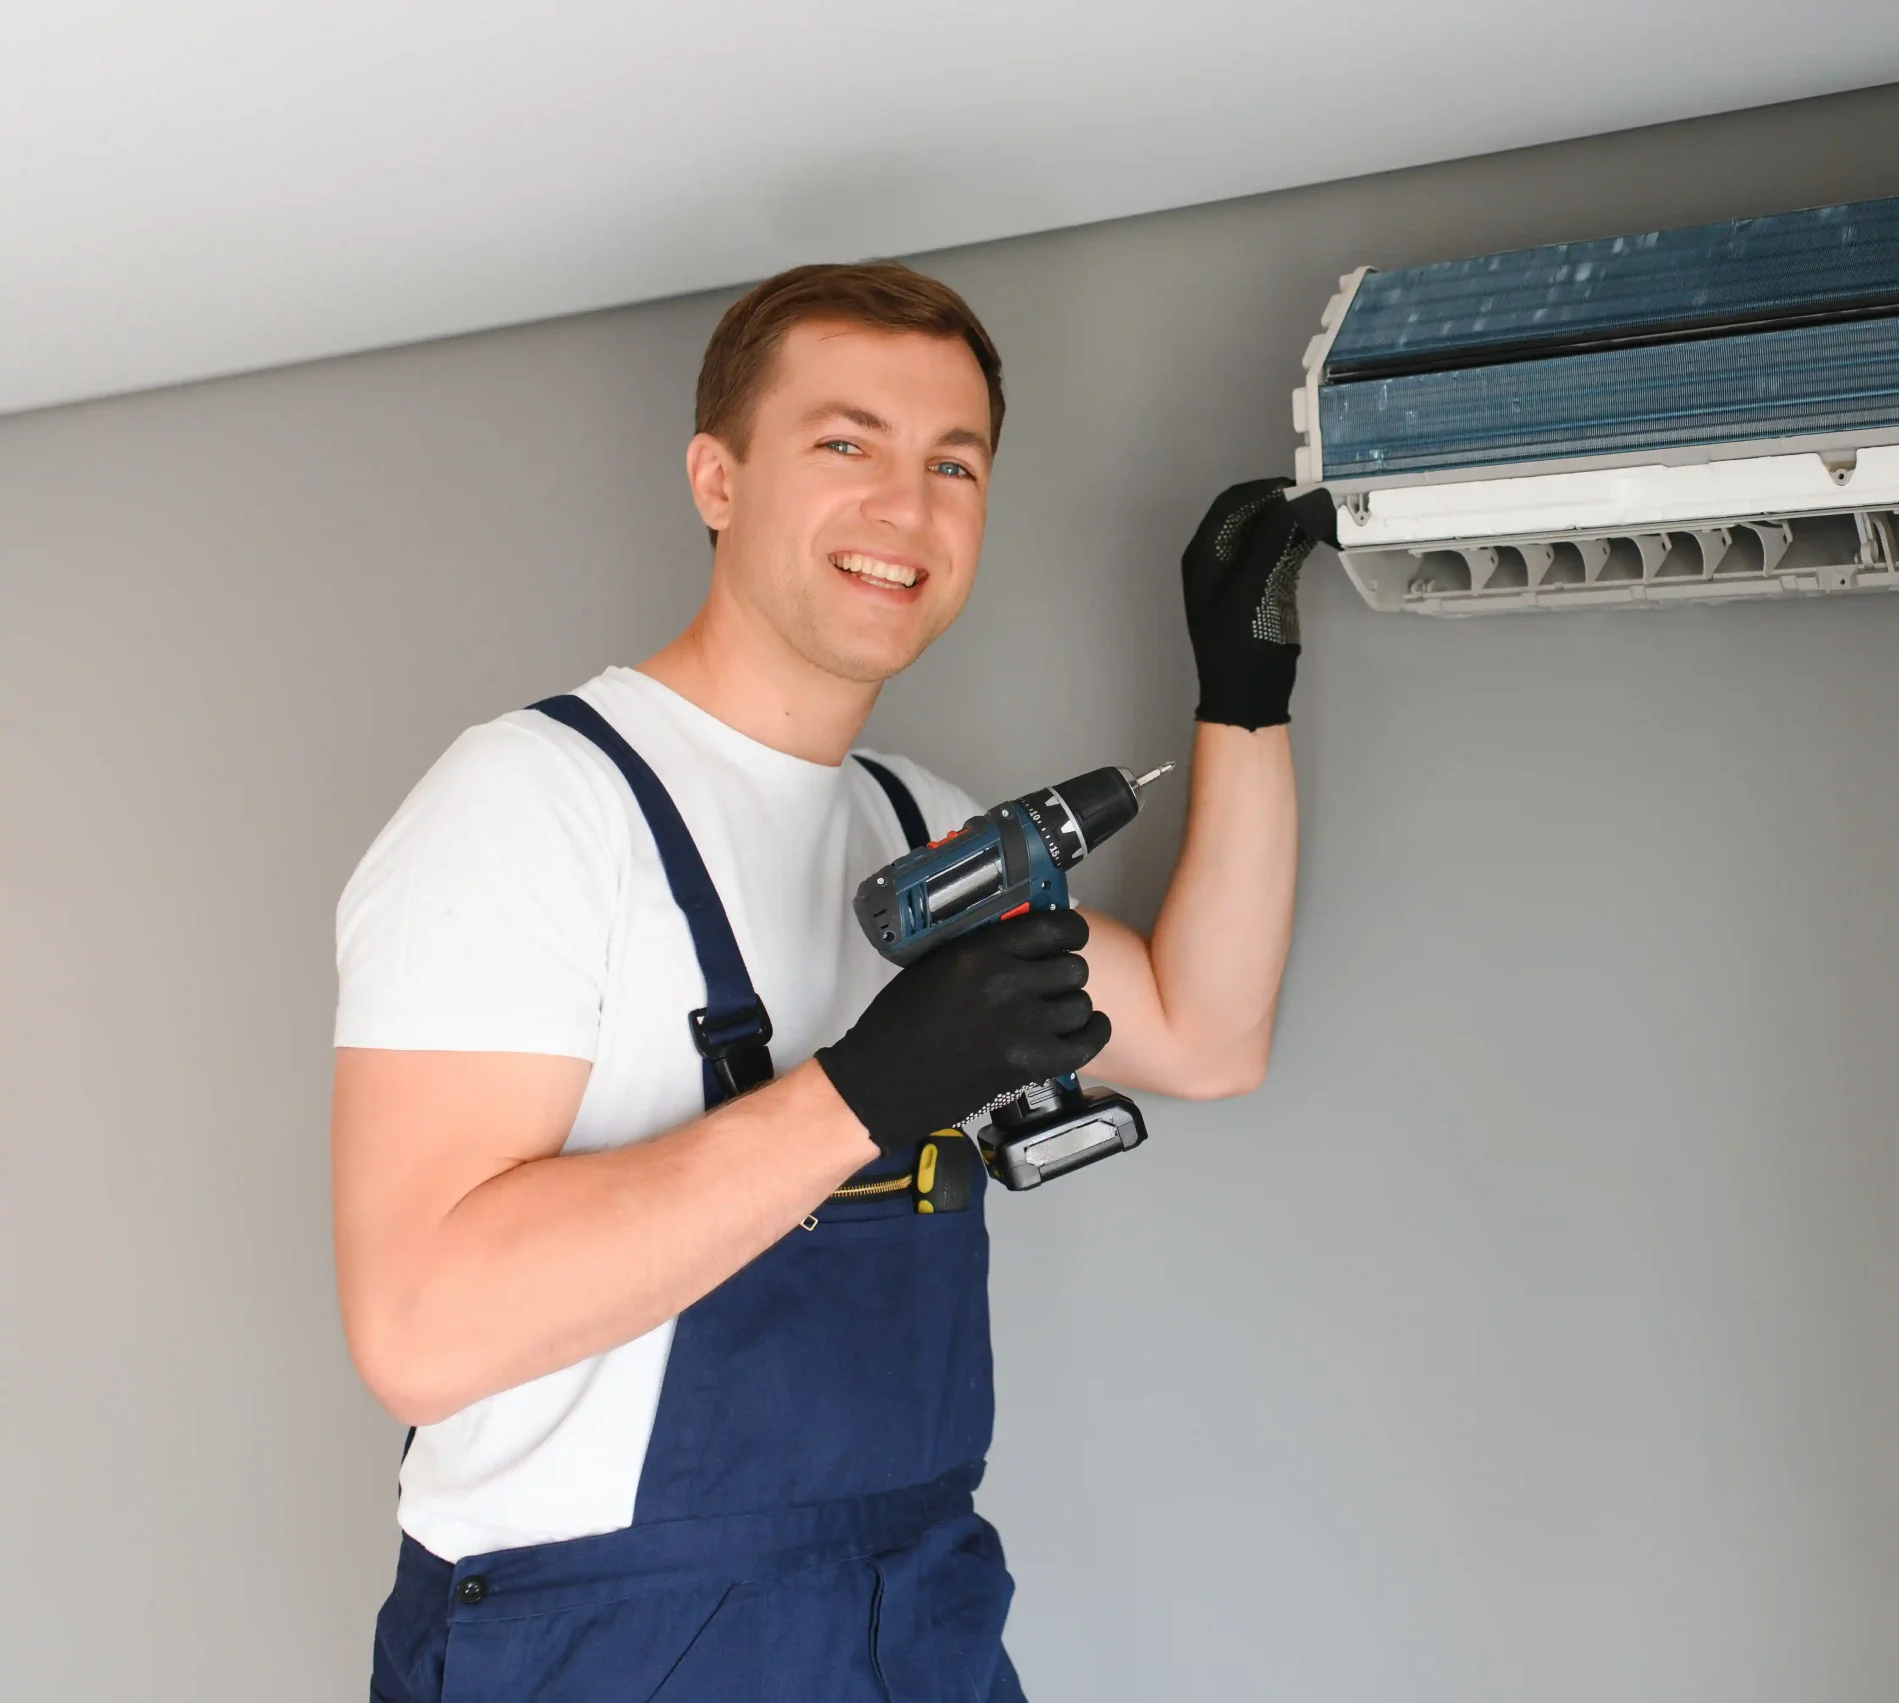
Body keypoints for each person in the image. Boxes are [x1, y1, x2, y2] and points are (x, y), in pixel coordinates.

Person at [333, 261, 1321, 1702]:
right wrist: (868, 1093)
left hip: (913, 1611)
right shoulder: (533, 804)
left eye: (953, 463)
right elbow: (421, 1328)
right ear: (717, 477)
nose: (906, 509)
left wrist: (1244, 695)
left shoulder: (916, 819)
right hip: (601, 1643)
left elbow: (1207, 1029)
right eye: (845, 444)